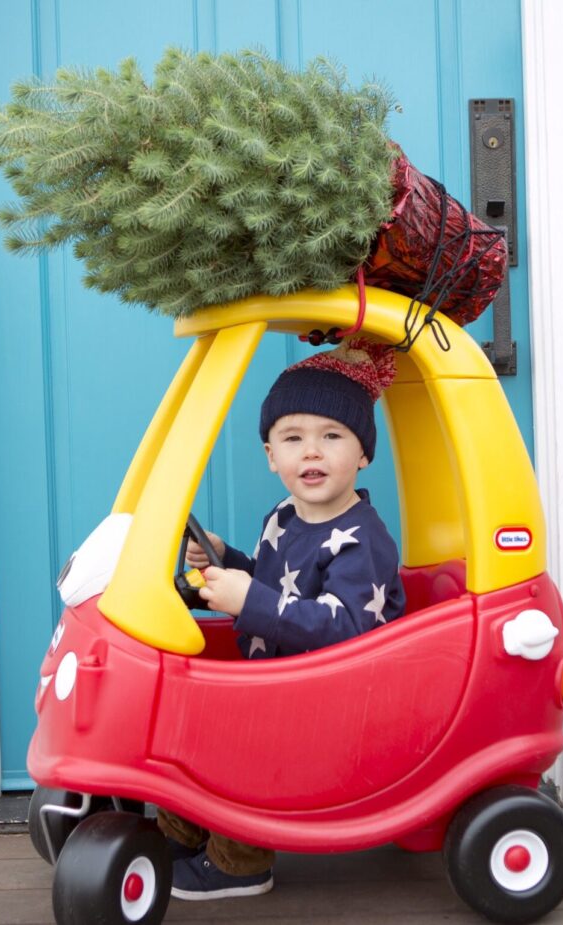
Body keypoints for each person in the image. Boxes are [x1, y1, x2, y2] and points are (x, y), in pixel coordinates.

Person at [161, 336, 407, 901]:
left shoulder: (362, 541)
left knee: (238, 745)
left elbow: (349, 629)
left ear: (364, 453)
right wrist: (227, 562)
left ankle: (240, 860)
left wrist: (250, 600)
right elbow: (273, 587)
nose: (311, 453)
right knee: (194, 714)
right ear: (271, 455)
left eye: (332, 437)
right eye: (293, 438)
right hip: (279, 687)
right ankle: (180, 831)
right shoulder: (283, 517)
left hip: (335, 704)